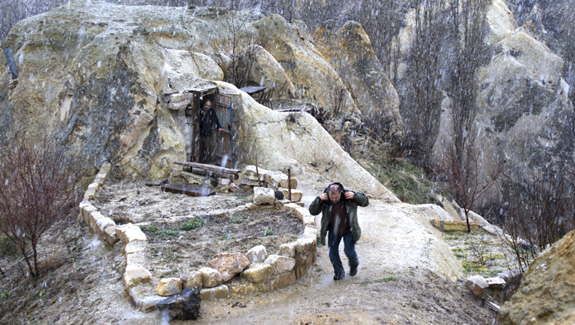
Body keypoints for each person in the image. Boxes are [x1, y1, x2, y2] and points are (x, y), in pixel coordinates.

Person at [309, 182, 369, 280]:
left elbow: (365, 202)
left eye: (336, 197)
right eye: (332, 197)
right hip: (334, 230)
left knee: (349, 251)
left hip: (349, 229)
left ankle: (354, 264)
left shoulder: (349, 197)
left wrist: (356, 196)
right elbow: (312, 211)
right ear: (328, 193)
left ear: (340, 193)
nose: (334, 199)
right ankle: (339, 272)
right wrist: (318, 199)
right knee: (332, 253)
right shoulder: (325, 199)